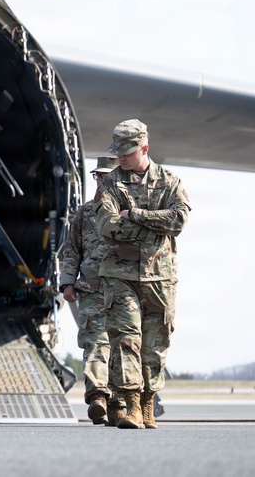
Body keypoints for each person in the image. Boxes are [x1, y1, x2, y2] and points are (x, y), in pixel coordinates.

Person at [95, 119, 190, 430]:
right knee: (125, 339)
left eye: (127, 151)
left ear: (144, 148)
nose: (120, 157)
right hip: (119, 276)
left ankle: (149, 402)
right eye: (118, 151)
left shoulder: (170, 181)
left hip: (159, 278)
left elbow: (177, 221)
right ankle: (132, 404)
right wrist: (152, 227)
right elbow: (107, 225)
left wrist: (136, 215)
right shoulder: (110, 184)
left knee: (155, 343)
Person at [59, 156, 125, 426]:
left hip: (123, 289)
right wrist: (67, 282)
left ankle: (118, 405)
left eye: (107, 176)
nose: (101, 180)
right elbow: (71, 250)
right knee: (95, 341)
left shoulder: (128, 212)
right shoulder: (85, 212)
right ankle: (97, 395)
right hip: (91, 287)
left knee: (122, 346)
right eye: (98, 176)